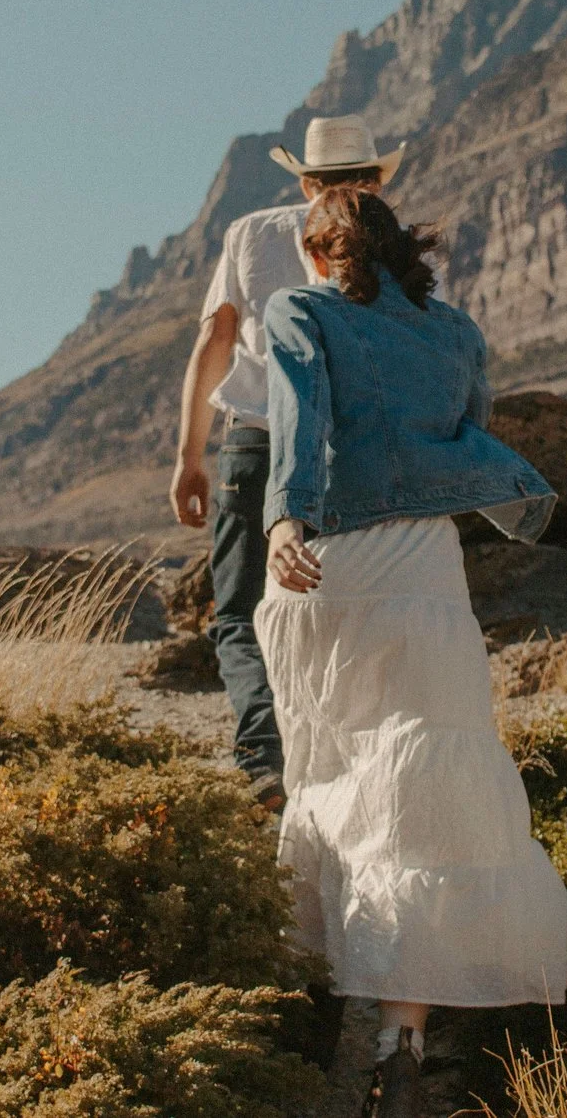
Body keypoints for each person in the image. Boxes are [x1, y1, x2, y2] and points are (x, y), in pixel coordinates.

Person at [258, 184, 567, 1118]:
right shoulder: (455, 331)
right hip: (425, 568)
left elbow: (300, 421)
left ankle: (314, 1003)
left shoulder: (300, 309)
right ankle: (402, 1039)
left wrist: (285, 516)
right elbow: (467, 428)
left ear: (322, 251)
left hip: (324, 563)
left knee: (329, 777)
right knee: (425, 793)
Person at [171, 114, 406, 813]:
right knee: (342, 607)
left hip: (255, 439)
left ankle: (264, 760)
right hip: (349, 447)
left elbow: (215, 338)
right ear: (372, 180)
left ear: (306, 180)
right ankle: (343, 761)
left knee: (242, 613)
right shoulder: (390, 244)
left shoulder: (250, 233)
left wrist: (189, 455)